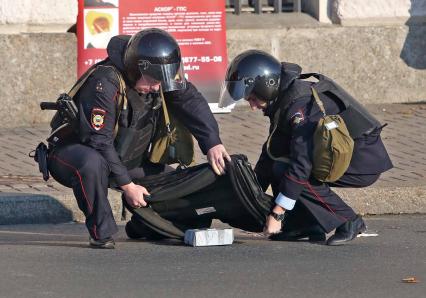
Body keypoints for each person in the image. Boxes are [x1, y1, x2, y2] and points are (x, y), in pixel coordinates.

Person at [47, 28, 230, 249]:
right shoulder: (105, 82)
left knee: (177, 187)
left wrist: (212, 142)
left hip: (125, 159)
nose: (157, 88)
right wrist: (128, 186)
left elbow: (190, 101)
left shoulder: (158, 75)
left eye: (162, 82)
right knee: (92, 164)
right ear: (135, 69)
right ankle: (101, 232)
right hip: (75, 154)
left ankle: (143, 227)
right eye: (153, 81)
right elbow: (99, 142)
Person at [219, 50, 393, 245]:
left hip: (361, 160)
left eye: (252, 99)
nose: (252, 106)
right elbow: (272, 151)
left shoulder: (299, 106)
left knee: (292, 172)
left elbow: (303, 163)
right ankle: (305, 224)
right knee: (280, 165)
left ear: (265, 87)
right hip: (338, 154)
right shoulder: (283, 99)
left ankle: (349, 221)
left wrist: (277, 213)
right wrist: (250, 193)